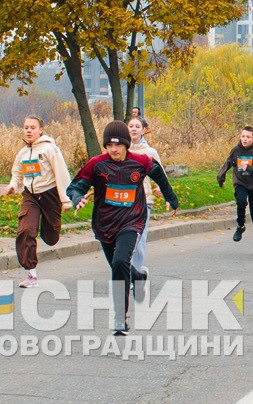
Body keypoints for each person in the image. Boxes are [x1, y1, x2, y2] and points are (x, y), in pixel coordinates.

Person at [67, 121, 179, 336]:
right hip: (105, 224)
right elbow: (75, 186)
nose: (113, 150)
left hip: (132, 220)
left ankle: (121, 318)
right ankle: (138, 277)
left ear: (126, 145)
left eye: (117, 145)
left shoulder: (141, 162)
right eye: (109, 145)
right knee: (119, 267)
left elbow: (159, 175)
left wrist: (170, 198)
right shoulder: (97, 164)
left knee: (120, 262)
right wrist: (78, 197)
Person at [5, 115, 72, 288]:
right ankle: (31, 273)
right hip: (31, 196)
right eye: (26, 127)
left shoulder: (50, 149)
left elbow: (61, 173)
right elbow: (17, 173)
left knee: (51, 238)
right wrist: (13, 185)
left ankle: (51, 229)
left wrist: (66, 200)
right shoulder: (23, 153)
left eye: (32, 127)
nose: (28, 130)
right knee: (26, 230)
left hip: (50, 195)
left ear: (41, 130)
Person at [217, 125, 253, 255]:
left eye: (248, 137)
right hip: (240, 183)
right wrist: (221, 176)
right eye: (243, 136)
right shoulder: (236, 150)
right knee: (241, 202)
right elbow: (228, 163)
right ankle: (240, 226)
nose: (245, 139)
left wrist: (250, 169)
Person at [128, 115, 162, 278]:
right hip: (123, 201)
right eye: (131, 126)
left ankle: (136, 270)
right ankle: (129, 271)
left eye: (137, 126)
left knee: (139, 238)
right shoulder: (120, 150)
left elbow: (160, 174)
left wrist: (162, 189)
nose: (134, 129)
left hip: (144, 200)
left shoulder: (150, 152)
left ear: (143, 130)